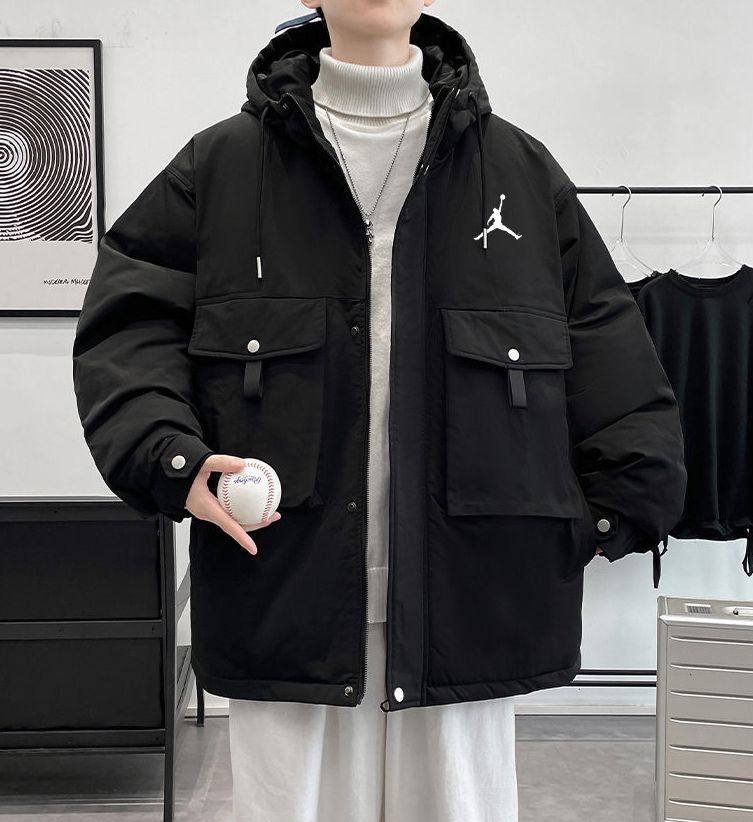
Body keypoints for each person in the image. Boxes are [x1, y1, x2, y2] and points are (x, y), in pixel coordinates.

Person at [72, 2, 687, 821]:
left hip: (471, 604)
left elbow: (605, 347)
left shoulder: (519, 172)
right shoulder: (220, 168)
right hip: (280, 590)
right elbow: (129, 325)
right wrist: (170, 458)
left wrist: (607, 512)